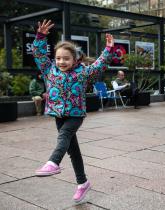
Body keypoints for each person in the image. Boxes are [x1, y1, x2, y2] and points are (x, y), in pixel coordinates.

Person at [32, 19, 114, 202]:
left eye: (66, 58)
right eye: (58, 58)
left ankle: (53, 162)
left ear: (75, 59)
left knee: (64, 136)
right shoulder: (49, 70)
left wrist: (108, 49)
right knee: (73, 150)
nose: (61, 61)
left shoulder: (83, 72)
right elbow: (38, 54)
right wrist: (40, 37)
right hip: (58, 114)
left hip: (75, 114)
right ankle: (82, 183)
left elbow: (99, 65)